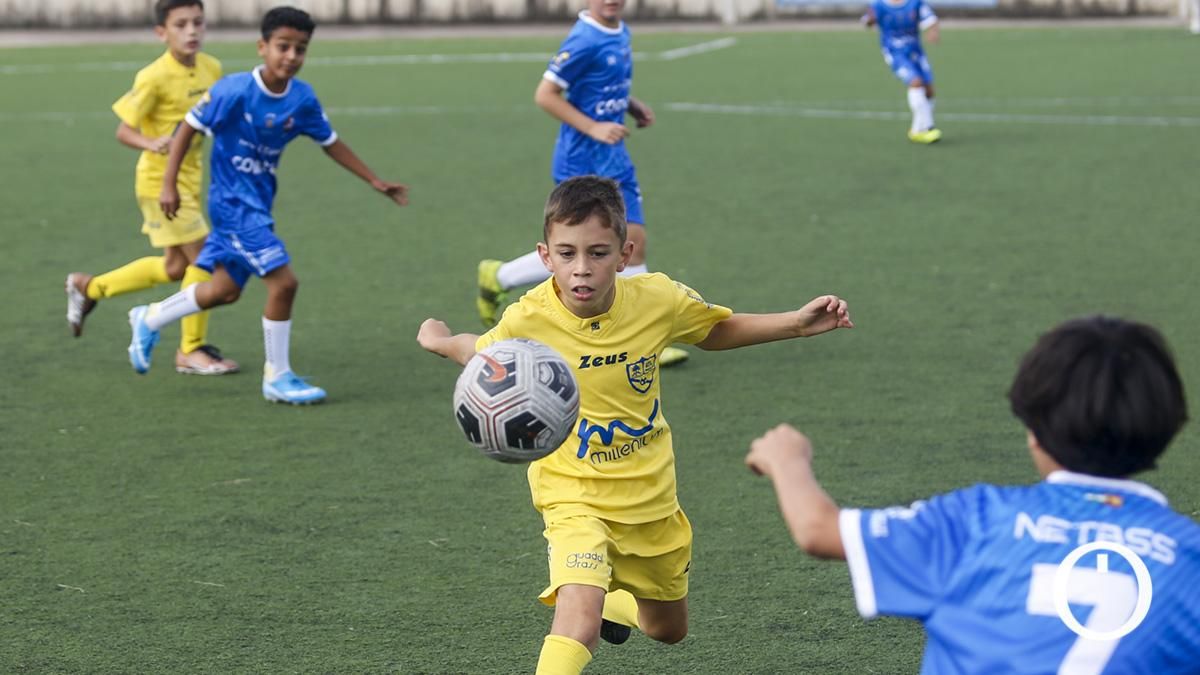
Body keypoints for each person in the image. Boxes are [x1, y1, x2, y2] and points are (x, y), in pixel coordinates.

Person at [420, 176, 853, 675]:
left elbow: (713, 330)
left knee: (668, 630)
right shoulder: (528, 318)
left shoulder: (657, 298)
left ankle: (614, 601)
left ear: (625, 254)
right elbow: (485, 354)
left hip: (650, 496)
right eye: (566, 254)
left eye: (598, 253)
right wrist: (442, 340)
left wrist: (795, 324)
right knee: (577, 619)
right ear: (545, 256)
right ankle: (592, 601)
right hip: (573, 492)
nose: (582, 268)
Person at [746, 315, 1200, 673]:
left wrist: (788, 461)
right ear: (1169, 426)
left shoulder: (976, 520)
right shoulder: (1190, 555)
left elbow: (817, 529)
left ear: (1033, 431)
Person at [126, 5, 408, 404]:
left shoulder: (302, 99)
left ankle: (151, 317)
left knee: (224, 290)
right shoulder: (234, 90)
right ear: (263, 47)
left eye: (300, 48)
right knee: (284, 283)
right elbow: (188, 127)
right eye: (283, 46)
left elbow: (330, 142)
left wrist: (374, 180)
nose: (291, 56)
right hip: (232, 206)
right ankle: (278, 375)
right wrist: (168, 183)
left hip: (258, 205)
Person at [475, 0, 691, 367]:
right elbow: (545, 94)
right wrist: (593, 127)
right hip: (582, 160)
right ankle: (503, 276)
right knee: (590, 246)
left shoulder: (619, 30)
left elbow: (599, 84)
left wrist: (630, 104)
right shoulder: (584, 40)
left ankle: (501, 276)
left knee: (631, 242)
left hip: (615, 157)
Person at [65, 0, 239, 375]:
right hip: (161, 184)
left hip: (192, 178)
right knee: (207, 261)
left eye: (197, 22)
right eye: (181, 24)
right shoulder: (154, 76)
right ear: (162, 32)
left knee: (176, 267)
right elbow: (124, 130)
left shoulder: (211, 67)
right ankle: (190, 350)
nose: (191, 31)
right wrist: (151, 141)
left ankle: (89, 288)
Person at [863, 0, 942, 144]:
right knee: (916, 82)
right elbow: (867, 21)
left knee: (929, 91)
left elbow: (931, 19)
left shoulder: (915, 3)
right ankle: (927, 127)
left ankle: (916, 130)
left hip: (916, 52)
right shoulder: (879, 5)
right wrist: (870, 20)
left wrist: (933, 31)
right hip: (895, 53)